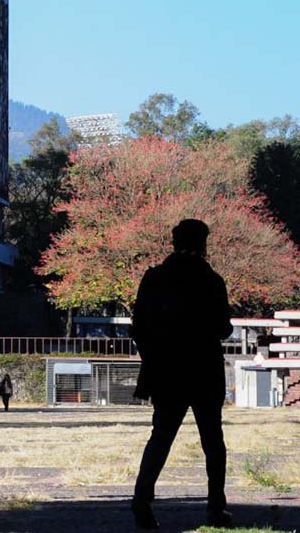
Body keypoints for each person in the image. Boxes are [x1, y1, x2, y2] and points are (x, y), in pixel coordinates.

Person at [131, 219, 233, 530]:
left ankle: (142, 501)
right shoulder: (211, 280)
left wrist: (154, 355)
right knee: (212, 442)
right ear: (203, 244)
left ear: (173, 243)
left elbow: (139, 327)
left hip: (166, 371)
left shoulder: (154, 278)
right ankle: (215, 508)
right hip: (204, 369)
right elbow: (224, 328)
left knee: (161, 437)